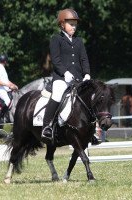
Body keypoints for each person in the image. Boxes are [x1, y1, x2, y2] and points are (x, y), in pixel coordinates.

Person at [41, 8, 91, 144]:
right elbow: (56, 60)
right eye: (71, 24)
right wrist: (65, 73)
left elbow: (84, 59)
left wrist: (87, 74)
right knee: (57, 95)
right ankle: (47, 126)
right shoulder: (56, 39)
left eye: (75, 24)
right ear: (62, 24)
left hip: (78, 79)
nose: (74, 27)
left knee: (91, 97)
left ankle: (92, 130)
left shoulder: (79, 41)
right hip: (61, 78)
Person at [0, 54, 18, 122]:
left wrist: (14, 85)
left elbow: (6, 80)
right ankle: (2, 117)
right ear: (5, 61)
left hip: (4, 88)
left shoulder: (2, 68)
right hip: (0, 89)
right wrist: (9, 86)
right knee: (8, 102)